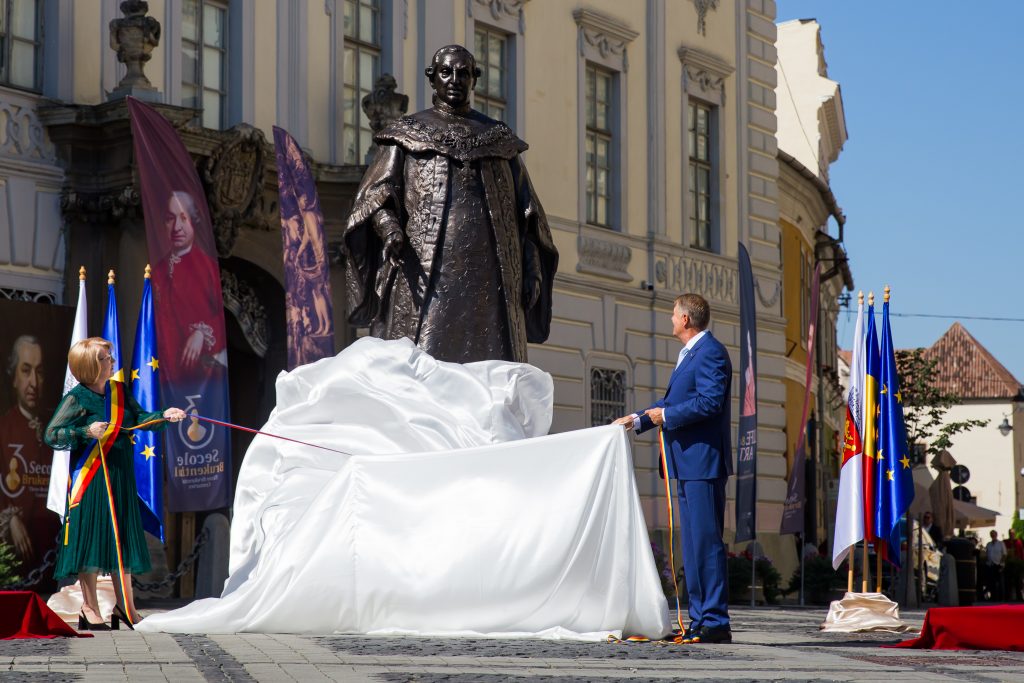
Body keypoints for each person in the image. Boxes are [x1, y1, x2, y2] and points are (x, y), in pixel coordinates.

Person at [344, 44, 558, 363]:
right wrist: (390, 231)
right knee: (421, 360)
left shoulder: (498, 140)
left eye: (463, 73)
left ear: (475, 79)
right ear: (433, 79)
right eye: (446, 72)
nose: (454, 79)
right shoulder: (407, 134)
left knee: (490, 364)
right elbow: (377, 195)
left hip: (491, 276)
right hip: (424, 268)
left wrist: (532, 271)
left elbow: (526, 217)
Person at [614, 293, 733, 644]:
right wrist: (637, 420)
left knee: (706, 542)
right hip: (687, 462)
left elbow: (709, 402)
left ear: (685, 319)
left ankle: (714, 620)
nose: (670, 319)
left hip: (703, 461)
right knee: (694, 544)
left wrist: (664, 416)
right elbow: (672, 402)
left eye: (673, 314)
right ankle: (699, 619)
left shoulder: (710, 352)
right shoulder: (691, 354)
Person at [44, 338, 185, 629]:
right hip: (92, 478)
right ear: (91, 365)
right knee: (92, 540)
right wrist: (85, 430)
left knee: (121, 539)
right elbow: (52, 434)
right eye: (107, 358)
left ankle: (126, 607)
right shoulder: (78, 398)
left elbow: (140, 419)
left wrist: (165, 417)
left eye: (110, 356)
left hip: (120, 475)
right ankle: (90, 608)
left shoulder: (119, 391)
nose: (112, 361)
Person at [150, 190, 227, 380]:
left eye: (183, 218)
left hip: (198, 378)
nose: (177, 227)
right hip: (159, 372)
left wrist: (201, 333)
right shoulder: (156, 271)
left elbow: (221, 314)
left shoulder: (207, 267)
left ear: (194, 221)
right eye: (170, 219)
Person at [0, 335, 60, 578]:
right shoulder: (4, 427)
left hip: (52, 553)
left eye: (39, 372)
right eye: (26, 371)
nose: (33, 382)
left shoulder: (55, 429)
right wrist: (10, 518)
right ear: (14, 377)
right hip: (17, 558)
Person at [984, 529, 1006, 601]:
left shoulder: (1000, 543)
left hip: (998, 564)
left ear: (996, 535)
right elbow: (987, 554)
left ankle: (1001, 597)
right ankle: (993, 597)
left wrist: (1002, 564)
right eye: (991, 534)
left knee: (1000, 582)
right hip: (990, 565)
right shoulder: (988, 544)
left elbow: (1004, 554)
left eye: (994, 534)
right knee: (991, 582)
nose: (993, 535)